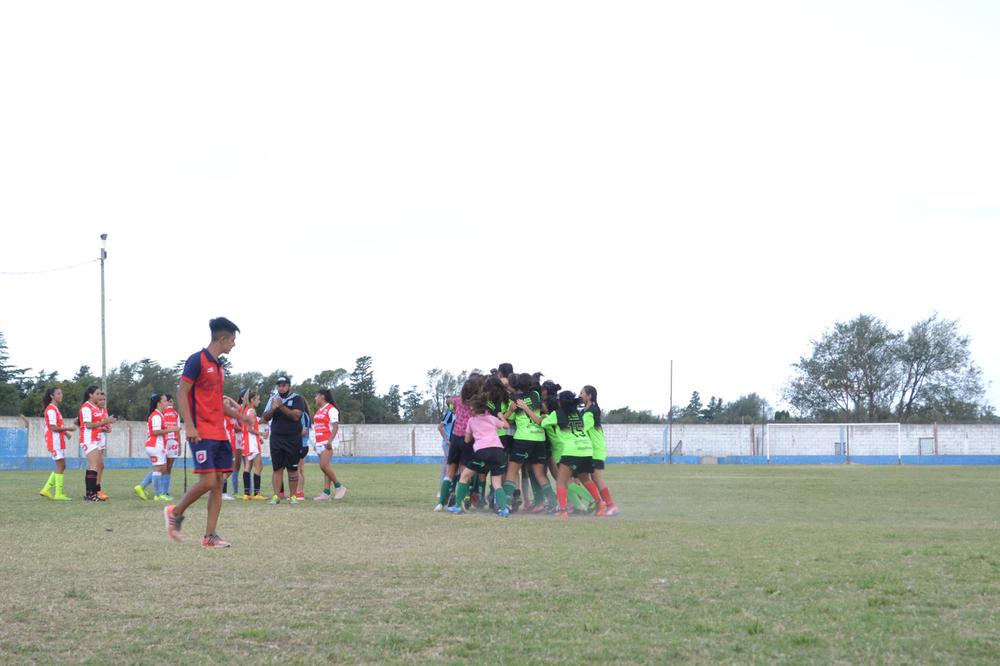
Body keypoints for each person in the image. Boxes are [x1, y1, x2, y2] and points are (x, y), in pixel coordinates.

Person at [164, 317, 247, 548]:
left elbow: (217, 403)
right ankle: (175, 512)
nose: (233, 344)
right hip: (201, 431)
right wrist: (189, 425)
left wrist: (241, 417)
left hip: (220, 432)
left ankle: (210, 536)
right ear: (222, 338)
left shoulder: (219, 367)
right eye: (232, 340)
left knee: (219, 481)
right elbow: (182, 393)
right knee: (209, 481)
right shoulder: (196, 361)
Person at [447, 389, 511, 517]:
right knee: (497, 482)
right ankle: (504, 509)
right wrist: (502, 416)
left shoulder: (471, 421)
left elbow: (466, 440)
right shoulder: (492, 418)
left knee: (464, 476)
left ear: (474, 409)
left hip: (482, 451)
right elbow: (506, 426)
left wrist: (471, 434)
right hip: (498, 451)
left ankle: (458, 506)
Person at [261, 377, 307, 505]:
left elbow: (296, 416)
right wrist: (274, 408)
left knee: (292, 469)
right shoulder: (273, 398)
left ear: (289, 386)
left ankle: (293, 496)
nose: (281, 387)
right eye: (279, 385)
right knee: (277, 468)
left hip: (293, 438)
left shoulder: (297, 398)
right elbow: (265, 417)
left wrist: (281, 406)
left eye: (284, 385)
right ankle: (276, 496)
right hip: (276, 438)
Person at [581, 385, 618, 516]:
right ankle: (600, 503)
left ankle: (610, 505)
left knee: (596, 477)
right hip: (590, 449)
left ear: (589, 396)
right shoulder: (585, 410)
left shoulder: (591, 411)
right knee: (587, 476)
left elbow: (582, 428)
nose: (580, 395)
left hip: (596, 449)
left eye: (582, 393)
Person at [135, 394, 179, 501]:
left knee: (162, 469)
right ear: (159, 403)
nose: (167, 403)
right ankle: (158, 495)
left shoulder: (159, 414)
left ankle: (143, 488)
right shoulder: (156, 416)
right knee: (158, 470)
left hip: (157, 445)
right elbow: (156, 432)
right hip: (155, 445)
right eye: (164, 401)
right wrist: (171, 429)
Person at [79, 385, 116, 502]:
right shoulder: (86, 407)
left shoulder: (94, 407)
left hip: (95, 439)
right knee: (94, 466)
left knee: (95, 465)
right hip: (88, 439)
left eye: (100, 394)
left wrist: (105, 425)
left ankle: (91, 493)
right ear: (91, 395)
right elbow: (88, 425)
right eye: (97, 394)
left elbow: (96, 425)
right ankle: (91, 494)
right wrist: (105, 421)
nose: (100, 396)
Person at [39, 387, 76, 500]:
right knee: (61, 465)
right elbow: (53, 428)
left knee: (61, 465)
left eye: (61, 393)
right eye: (58, 393)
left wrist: (65, 433)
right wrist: (69, 428)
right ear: (52, 396)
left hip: (58, 441)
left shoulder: (54, 409)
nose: (61, 395)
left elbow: (57, 426)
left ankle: (46, 489)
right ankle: (58, 494)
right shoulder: (51, 409)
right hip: (54, 441)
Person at [312, 389, 346, 501]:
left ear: (322, 396)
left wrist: (330, 441)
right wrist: (316, 443)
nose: (315, 398)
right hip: (320, 442)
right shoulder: (319, 410)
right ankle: (326, 493)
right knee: (326, 467)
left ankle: (339, 486)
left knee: (323, 465)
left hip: (328, 442)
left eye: (316, 396)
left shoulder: (331, 409)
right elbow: (317, 427)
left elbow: (335, 427)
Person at [240, 391, 265, 500]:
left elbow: (246, 428)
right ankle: (256, 494)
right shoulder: (252, 411)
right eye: (257, 399)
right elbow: (250, 428)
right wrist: (261, 434)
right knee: (259, 467)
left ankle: (246, 494)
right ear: (252, 400)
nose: (259, 401)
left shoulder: (244, 410)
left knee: (247, 467)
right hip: (252, 442)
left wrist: (258, 437)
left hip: (246, 441)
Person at [161, 394, 181, 500]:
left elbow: (177, 429)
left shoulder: (163, 413)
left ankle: (163, 491)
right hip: (172, 441)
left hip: (164, 441)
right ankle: (164, 491)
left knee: (163, 466)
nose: (172, 403)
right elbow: (177, 429)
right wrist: (180, 446)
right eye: (171, 401)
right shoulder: (174, 413)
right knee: (167, 468)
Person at [435, 398, 456, 497]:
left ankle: (442, 491)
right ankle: (443, 491)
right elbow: (440, 427)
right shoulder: (450, 414)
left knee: (446, 467)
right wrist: (447, 440)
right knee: (449, 467)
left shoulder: (456, 415)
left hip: (452, 444)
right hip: (448, 444)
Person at [293, 404, 311, 500]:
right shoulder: (302, 415)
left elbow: (304, 431)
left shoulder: (303, 415)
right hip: (300, 445)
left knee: (298, 470)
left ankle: (299, 493)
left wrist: (291, 434)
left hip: (301, 445)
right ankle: (298, 492)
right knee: (299, 469)